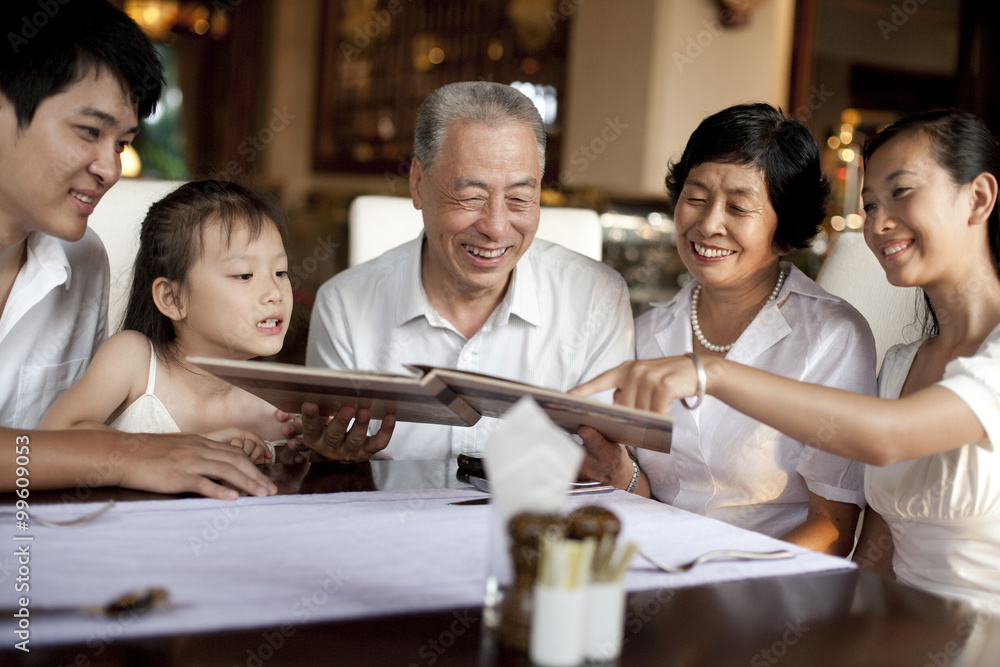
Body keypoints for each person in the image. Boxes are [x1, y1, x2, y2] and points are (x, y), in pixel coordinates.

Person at [574, 110, 1000, 606]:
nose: (879, 223)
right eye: (869, 204)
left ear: (979, 197)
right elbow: (877, 556)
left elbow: (887, 440)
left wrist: (710, 371)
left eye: (901, 193)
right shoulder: (903, 365)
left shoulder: (838, 337)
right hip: (894, 628)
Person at [574, 103, 877, 556]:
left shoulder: (831, 337)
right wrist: (621, 476)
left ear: (786, 225)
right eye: (695, 198)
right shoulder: (647, 330)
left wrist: (720, 585)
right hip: (654, 570)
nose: (708, 224)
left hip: (768, 597)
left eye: (738, 207)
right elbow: (648, 497)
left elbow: (832, 530)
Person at [0, 0, 275, 498]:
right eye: (89, 132)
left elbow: (60, 440)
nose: (109, 168)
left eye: (122, 143)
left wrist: (184, 447)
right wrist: (130, 454)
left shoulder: (82, 258)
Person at [302, 81, 633, 461]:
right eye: (470, 197)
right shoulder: (344, 305)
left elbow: (611, 473)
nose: (495, 226)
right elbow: (329, 456)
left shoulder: (597, 300)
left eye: (519, 198)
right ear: (417, 183)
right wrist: (333, 462)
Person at [41, 180, 293, 465]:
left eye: (281, 272)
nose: (275, 293)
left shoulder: (278, 414)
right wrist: (182, 447)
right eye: (244, 275)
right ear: (172, 298)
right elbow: (51, 437)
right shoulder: (134, 361)